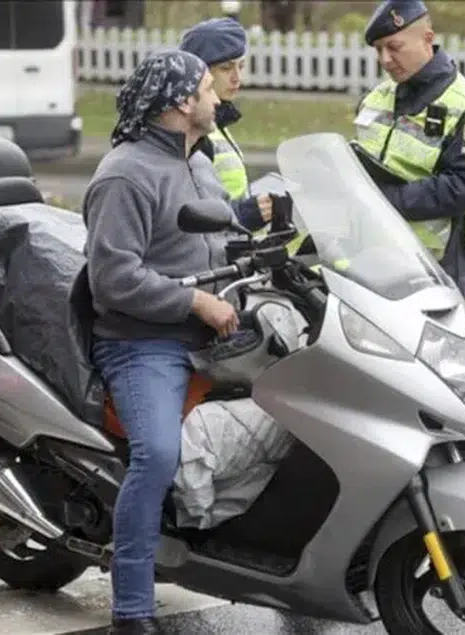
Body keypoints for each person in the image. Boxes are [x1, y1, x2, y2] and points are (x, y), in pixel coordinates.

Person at [82, 50, 239, 635]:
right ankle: (131, 607)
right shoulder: (125, 174)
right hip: (144, 342)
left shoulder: (194, 161)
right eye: (206, 87)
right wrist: (195, 302)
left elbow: (212, 231)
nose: (218, 96)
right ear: (180, 103)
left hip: (214, 331)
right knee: (158, 454)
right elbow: (114, 278)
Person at [352, 0, 465, 297]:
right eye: (378, 50)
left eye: (394, 47)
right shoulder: (377, 96)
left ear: (427, 39)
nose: (385, 59)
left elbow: (462, 188)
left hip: (436, 260)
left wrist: (383, 202)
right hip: (376, 250)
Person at [179, 17, 287, 235]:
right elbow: (186, 219)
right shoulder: (194, 134)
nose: (237, 77)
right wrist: (241, 216)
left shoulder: (217, 124)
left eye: (241, 66)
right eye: (226, 68)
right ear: (199, 73)